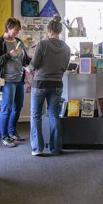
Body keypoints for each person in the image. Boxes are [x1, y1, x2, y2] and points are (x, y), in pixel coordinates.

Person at [29, 16, 71, 155]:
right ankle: (55, 148)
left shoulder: (42, 44)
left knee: (36, 115)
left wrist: (28, 67)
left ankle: (37, 148)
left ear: (48, 30)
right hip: (57, 84)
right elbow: (65, 67)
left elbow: (34, 65)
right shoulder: (67, 47)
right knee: (54, 115)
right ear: (59, 31)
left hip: (40, 83)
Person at [0, 18, 31, 147]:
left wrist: (33, 58)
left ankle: (12, 133)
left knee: (17, 108)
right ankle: (4, 137)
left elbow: (24, 60)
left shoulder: (18, 42)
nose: (17, 32)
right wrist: (9, 54)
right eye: (16, 29)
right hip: (6, 81)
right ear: (8, 27)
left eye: (19, 30)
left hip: (19, 80)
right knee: (6, 109)